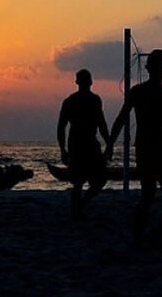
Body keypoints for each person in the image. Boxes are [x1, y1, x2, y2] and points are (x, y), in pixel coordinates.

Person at [105, 49, 162, 242]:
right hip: (154, 148)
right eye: (161, 64)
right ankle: (153, 230)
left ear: (148, 68)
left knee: (153, 194)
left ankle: (152, 231)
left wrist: (110, 145)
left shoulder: (147, 92)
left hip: (152, 148)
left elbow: (121, 120)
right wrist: (110, 145)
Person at [57, 69, 109, 217]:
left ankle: (80, 206)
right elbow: (61, 126)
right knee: (81, 182)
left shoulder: (93, 100)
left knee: (95, 181)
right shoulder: (71, 101)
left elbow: (101, 124)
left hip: (86, 144)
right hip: (79, 144)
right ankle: (78, 209)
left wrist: (109, 144)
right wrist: (62, 149)